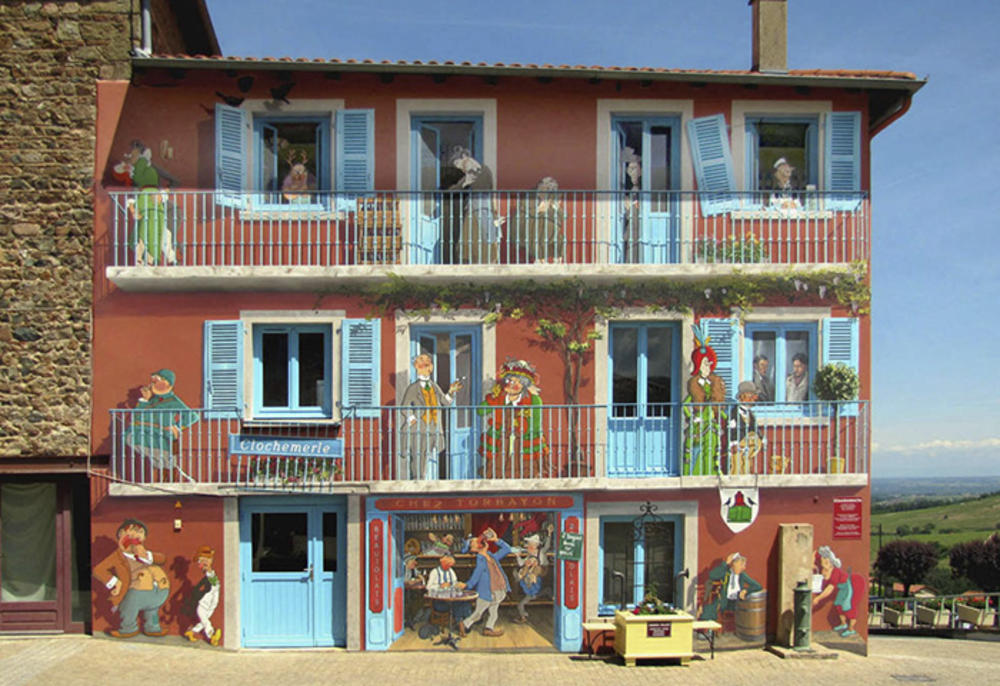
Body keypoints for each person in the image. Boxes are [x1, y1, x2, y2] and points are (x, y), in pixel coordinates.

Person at [93, 519, 170, 638]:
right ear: (120, 535)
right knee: (129, 607)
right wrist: (115, 582)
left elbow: (162, 559)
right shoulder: (117, 557)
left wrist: (147, 555)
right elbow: (98, 570)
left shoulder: (145, 553)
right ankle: (128, 628)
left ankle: (153, 627)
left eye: (140, 532)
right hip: (136, 591)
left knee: (153, 610)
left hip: (160, 590)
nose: (135, 535)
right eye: (131, 531)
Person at [478, 358, 550, 479]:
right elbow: (480, 411)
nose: (512, 384)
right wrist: (493, 397)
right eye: (510, 380)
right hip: (501, 442)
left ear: (524, 385)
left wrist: (520, 428)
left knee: (524, 472)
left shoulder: (534, 400)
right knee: (497, 472)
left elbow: (535, 425)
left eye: (517, 382)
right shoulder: (500, 397)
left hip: (522, 442)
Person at [124, 369, 199, 480]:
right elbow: (137, 417)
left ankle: (168, 480)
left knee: (167, 461)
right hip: (146, 434)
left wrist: (177, 427)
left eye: (157, 381)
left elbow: (192, 416)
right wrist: (144, 400)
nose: (153, 384)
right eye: (153, 381)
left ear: (167, 383)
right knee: (130, 438)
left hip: (164, 436)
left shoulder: (173, 401)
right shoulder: (151, 400)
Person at [398, 354, 463, 480]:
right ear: (417, 368)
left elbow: (445, 402)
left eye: (427, 366)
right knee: (419, 456)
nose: (425, 369)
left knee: (437, 452)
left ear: (431, 367)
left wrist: (451, 391)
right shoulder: (413, 388)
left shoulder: (434, 386)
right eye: (421, 366)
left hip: (435, 427)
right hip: (420, 427)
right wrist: (411, 418)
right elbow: (404, 406)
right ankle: (418, 481)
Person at [682, 324, 727, 475]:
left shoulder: (714, 384)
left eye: (710, 364)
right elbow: (685, 405)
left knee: (712, 449)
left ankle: (711, 472)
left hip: (711, 423)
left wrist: (726, 417)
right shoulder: (696, 385)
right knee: (698, 450)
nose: (708, 367)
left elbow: (719, 407)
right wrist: (691, 417)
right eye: (706, 363)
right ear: (699, 365)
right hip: (699, 423)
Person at [449, 147, 504, 264]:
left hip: (481, 212)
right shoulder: (471, 174)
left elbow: (490, 193)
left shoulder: (481, 171)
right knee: (472, 245)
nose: (460, 168)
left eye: (459, 164)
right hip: (475, 212)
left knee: (484, 245)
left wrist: (495, 214)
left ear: (465, 157)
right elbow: (452, 191)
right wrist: (464, 183)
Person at [456, 528, 511, 638]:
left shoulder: (491, 556)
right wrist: (467, 585)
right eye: (475, 542)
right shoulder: (480, 560)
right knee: (479, 612)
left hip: (498, 588)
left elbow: (507, 549)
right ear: (474, 549)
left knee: (494, 611)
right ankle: (464, 624)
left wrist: (496, 539)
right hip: (487, 591)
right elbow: (476, 575)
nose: (479, 541)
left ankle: (488, 629)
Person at [813, 545, 863, 638]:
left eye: (826, 561)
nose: (824, 563)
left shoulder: (835, 572)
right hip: (842, 589)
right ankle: (843, 624)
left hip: (848, 587)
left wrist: (818, 598)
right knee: (838, 605)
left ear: (831, 562)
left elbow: (830, 588)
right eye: (823, 560)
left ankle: (851, 629)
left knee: (848, 607)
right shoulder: (825, 569)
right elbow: (816, 554)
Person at [698, 552, 763, 622]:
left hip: (736, 602)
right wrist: (725, 563)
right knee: (708, 611)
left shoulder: (742, 575)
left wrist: (746, 590)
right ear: (734, 564)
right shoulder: (726, 573)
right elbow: (712, 575)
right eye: (741, 565)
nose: (744, 568)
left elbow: (758, 586)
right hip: (724, 600)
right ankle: (707, 625)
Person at [513, 176, 565, 263]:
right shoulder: (529, 198)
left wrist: (555, 207)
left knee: (558, 237)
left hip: (548, 228)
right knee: (540, 233)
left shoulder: (552, 199)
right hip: (528, 226)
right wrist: (538, 209)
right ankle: (540, 259)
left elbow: (562, 215)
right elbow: (523, 212)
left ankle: (557, 259)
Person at [512, 523, 554, 624]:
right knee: (525, 572)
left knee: (534, 572)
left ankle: (529, 583)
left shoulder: (541, 552)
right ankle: (524, 580)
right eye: (529, 545)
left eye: (531, 545)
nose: (529, 547)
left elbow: (547, 546)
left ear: (536, 545)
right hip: (531, 575)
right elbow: (521, 563)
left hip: (542, 571)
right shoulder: (529, 555)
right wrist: (518, 556)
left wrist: (549, 534)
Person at [184, 546, 222, 646]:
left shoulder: (211, 574)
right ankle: (193, 631)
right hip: (213, 596)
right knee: (205, 617)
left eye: (201, 561)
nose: (199, 564)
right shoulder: (210, 577)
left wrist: (207, 566)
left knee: (202, 614)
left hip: (209, 597)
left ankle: (211, 634)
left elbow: (213, 581)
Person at [726, 381, 762, 474]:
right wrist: (734, 442)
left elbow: (754, 428)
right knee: (737, 465)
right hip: (738, 444)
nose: (753, 399)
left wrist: (760, 438)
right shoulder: (734, 413)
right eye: (750, 396)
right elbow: (731, 429)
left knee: (747, 465)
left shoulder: (751, 414)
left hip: (748, 446)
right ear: (742, 397)